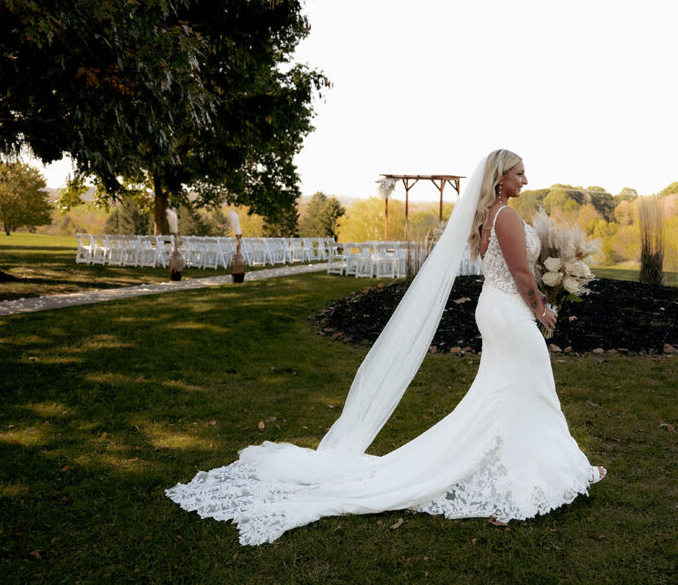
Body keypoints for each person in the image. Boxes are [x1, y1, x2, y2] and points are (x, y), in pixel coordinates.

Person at [166, 150, 605, 545]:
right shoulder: (505, 216)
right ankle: (551, 472)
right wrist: (542, 309)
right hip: (510, 310)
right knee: (532, 385)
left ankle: (544, 469)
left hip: (497, 308)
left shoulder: (490, 215)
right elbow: (521, 273)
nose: (526, 180)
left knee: (511, 390)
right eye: (520, 173)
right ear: (500, 176)